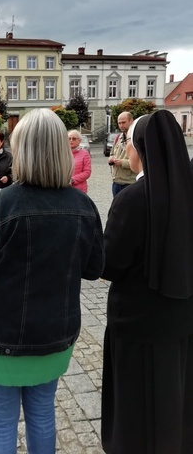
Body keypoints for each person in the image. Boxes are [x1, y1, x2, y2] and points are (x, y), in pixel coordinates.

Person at [0, 109, 104, 453]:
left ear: (21, 151)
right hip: (55, 335)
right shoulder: (83, 205)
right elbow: (94, 268)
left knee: (2, 422)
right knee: (42, 415)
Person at [101, 110, 193, 454]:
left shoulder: (132, 200)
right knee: (176, 392)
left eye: (131, 144)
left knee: (135, 399)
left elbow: (110, 265)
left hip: (137, 321)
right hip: (182, 316)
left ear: (142, 149)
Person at [108, 111, 136, 197]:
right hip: (116, 182)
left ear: (131, 121)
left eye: (123, 122)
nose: (121, 125)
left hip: (130, 183)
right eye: (119, 123)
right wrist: (111, 158)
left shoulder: (136, 139)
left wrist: (121, 163)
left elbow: (140, 163)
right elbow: (112, 153)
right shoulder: (118, 138)